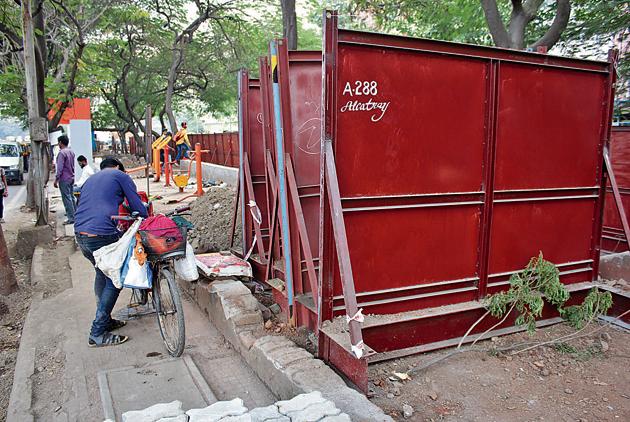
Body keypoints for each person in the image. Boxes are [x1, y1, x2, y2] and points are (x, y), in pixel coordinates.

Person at [74, 158, 149, 347]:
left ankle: (105, 319)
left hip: (81, 235)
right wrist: (146, 217)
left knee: (102, 272)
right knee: (115, 279)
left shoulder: (92, 179)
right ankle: (97, 333)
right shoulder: (120, 176)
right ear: (118, 168)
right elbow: (137, 206)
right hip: (100, 235)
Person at [54, 135, 76, 224]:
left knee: (66, 198)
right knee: (71, 197)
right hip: (71, 177)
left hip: (64, 178)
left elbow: (60, 168)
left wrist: (56, 179)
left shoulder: (62, 153)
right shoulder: (71, 152)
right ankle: (75, 215)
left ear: (60, 142)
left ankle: (71, 218)